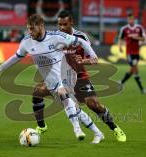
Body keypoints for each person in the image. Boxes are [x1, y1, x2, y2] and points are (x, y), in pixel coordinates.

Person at [0, 14, 104, 144]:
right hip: (50, 81)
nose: (29, 32)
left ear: (41, 26)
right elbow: (16, 56)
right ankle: (98, 133)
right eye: (28, 29)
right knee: (74, 109)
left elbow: (81, 41)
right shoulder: (26, 42)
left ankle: (77, 129)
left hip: (65, 75)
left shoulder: (56, 37)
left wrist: (93, 56)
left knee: (64, 96)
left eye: (32, 29)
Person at [32, 10, 126, 142]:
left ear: (71, 22)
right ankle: (41, 126)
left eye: (65, 24)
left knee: (93, 105)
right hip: (60, 77)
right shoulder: (54, 37)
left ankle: (115, 128)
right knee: (37, 92)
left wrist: (82, 61)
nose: (62, 27)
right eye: (59, 24)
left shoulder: (81, 37)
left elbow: (94, 60)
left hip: (80, 76)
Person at [118, 14, 146, 94]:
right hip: (129, 53)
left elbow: (144, 38)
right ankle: (142, 89)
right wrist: (120, 47)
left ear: (134, 20)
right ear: (127, 20)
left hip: (137, 52)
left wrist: (136, 38)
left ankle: (121, 82)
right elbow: (121, 39)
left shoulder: (139, 28)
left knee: (132, 70)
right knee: (135, 69)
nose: (130, 21)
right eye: (129, 19)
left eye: (131, 19)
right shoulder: (124, 29)